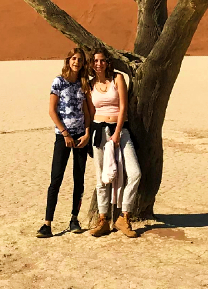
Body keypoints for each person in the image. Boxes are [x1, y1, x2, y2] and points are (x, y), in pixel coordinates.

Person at [36, 47, 91, 238]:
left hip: (80, 138)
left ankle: (74, 219)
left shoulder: (83, 83)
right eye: (74, 59)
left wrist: (86, 133)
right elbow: (52, 111)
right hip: (63, 137)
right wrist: (65, 133)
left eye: (80, 60)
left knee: (79, 179)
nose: (77, 62)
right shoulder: (58, 81)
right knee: (56, 179)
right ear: (68, 61)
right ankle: (47, 224)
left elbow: (86, 112)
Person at [87, 47, 141, 238]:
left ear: (107, 62)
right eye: (95, 61)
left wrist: (117, 133)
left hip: (120, 131)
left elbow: (123, 107)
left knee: (135, 173)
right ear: (91, 64)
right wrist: (88, 134)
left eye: (102, 60)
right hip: (98, 132)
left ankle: (124, 217)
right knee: (102, 177)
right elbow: (90, 112)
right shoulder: (91, 83)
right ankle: (103, 220)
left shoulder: (117, 79)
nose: (98, 64)